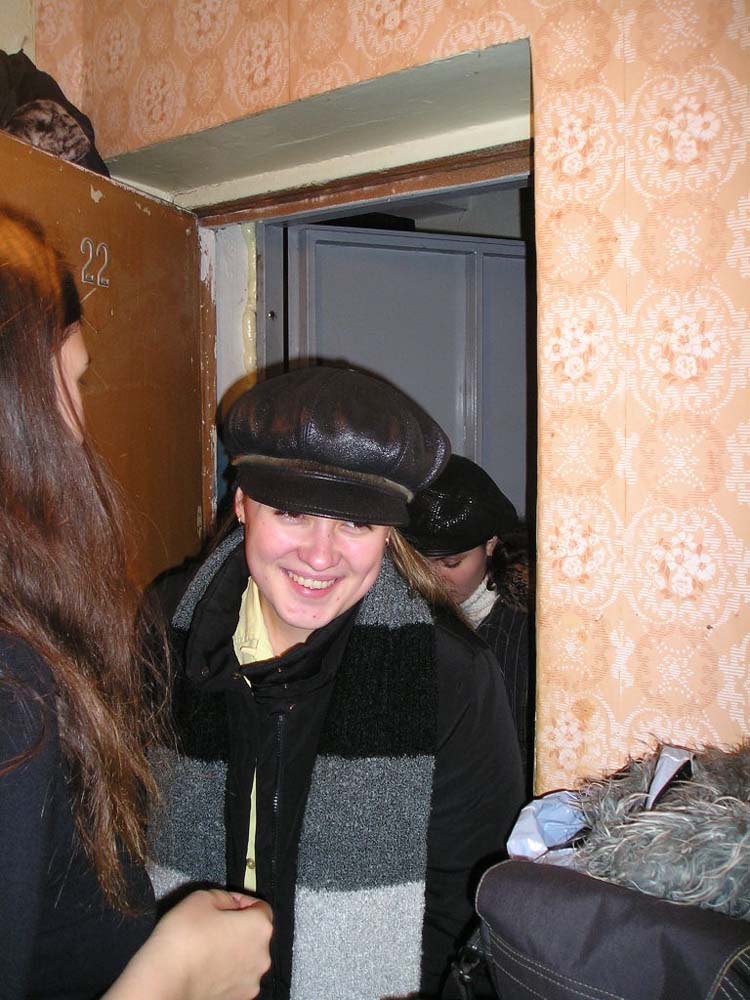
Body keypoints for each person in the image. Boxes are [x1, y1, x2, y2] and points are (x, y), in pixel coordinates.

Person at [150, 366, 524, 1000]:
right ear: (242, 503)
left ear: (388, 532)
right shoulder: (162, 631)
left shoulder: (450, 675)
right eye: (292, 512)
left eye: (355, 524)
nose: (320, 557)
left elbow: (463, 903)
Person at [0, 205, 272, 999]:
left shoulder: (445, 668)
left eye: (352, 520)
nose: (77, 432)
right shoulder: (37, 671)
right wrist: (176, 970)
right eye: (73, 381)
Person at [403, 455, 534, 793]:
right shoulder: (395, 614)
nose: (433, 579)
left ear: (490, 544)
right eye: (420, 563)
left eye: (451, 563)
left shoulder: (524, 633)